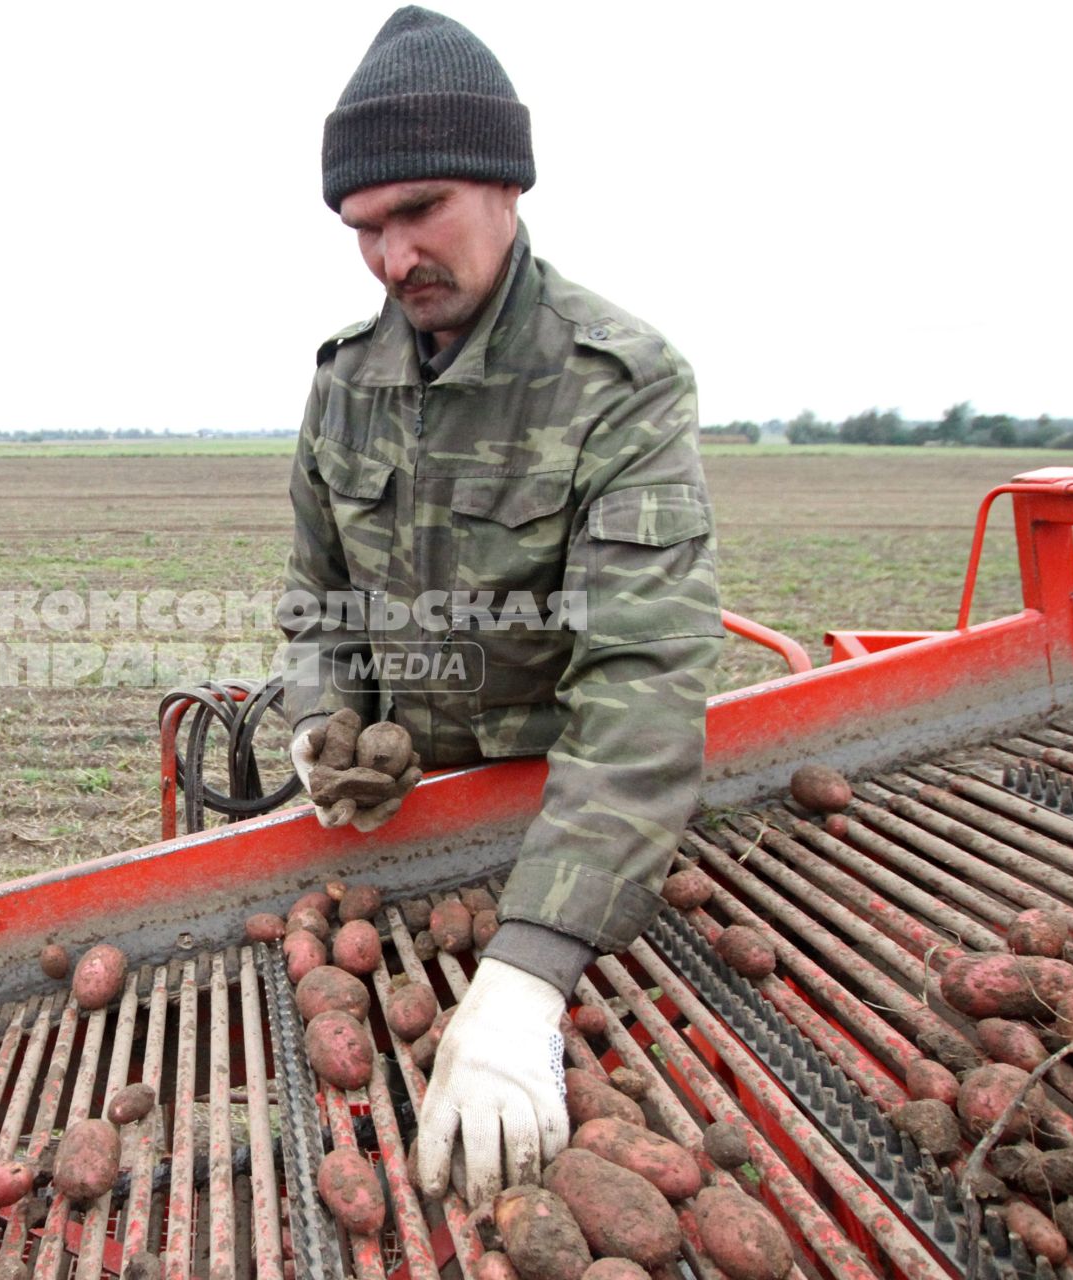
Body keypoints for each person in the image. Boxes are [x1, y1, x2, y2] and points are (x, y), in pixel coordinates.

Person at [278, 6, 723, 1206]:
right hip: (403, 824)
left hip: (559, 830)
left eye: (418, 210)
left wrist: (530, 969)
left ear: (507, 183)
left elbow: (643, 678)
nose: (389, 258)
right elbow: (319, 598)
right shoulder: (345, 382)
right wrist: (325, 726)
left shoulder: (615, 383)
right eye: (362, 227)